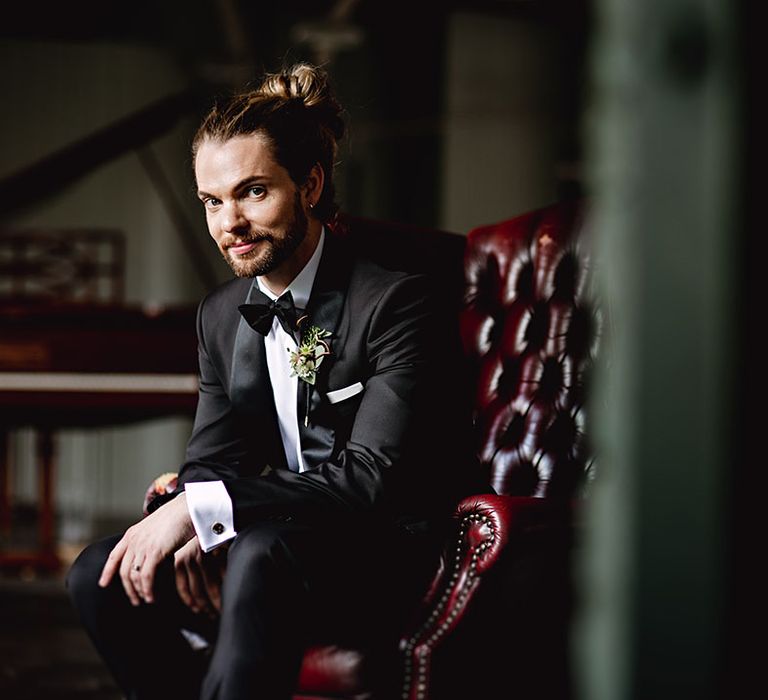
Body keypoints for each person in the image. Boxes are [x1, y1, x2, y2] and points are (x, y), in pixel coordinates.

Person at [67, 63, 478, 700]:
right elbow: (212, 460)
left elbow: (370, 478)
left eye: (253, 192)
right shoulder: (221, 314)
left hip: (384, 557)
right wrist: (195, 526)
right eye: (212, 200)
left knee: (262, 556)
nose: (229, 222)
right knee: (99, 569)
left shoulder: (395, 303)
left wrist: (206, 510)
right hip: (274, 542)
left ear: (310, 185)